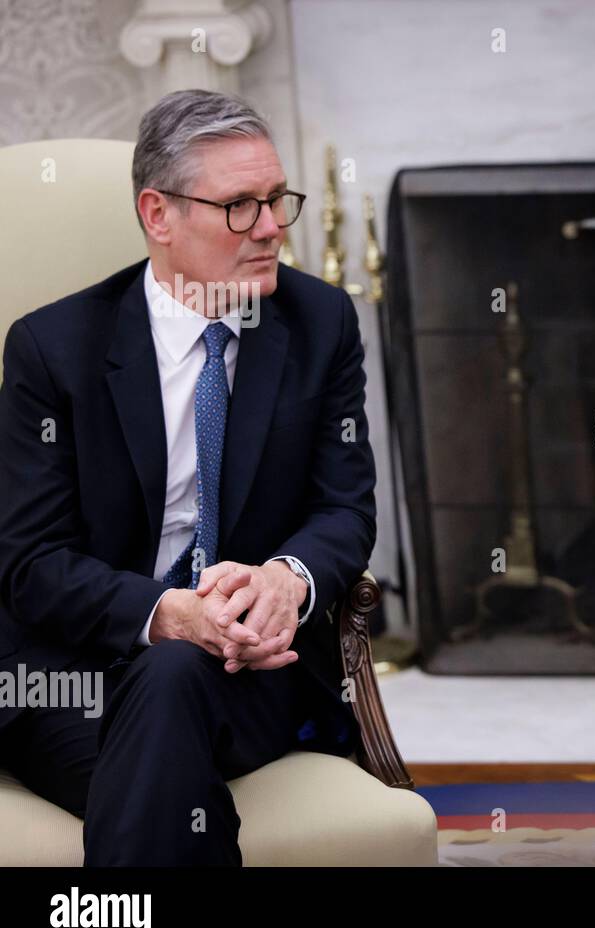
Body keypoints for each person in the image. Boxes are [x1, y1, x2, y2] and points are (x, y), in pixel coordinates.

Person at [0, 89, 377, 865]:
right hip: (76, 672)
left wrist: (289, 576)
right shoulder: (52, 349)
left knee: (170, 696)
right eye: (240, 206)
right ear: (158, 215)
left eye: (277, 200)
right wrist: (165, 612)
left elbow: (344, 509)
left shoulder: (320, 324)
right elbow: (30, 560)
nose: (271, 228)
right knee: (166, 724)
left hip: (252, 671)